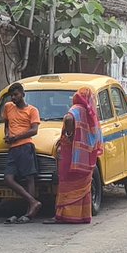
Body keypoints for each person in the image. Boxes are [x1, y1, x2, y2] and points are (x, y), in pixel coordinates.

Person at [46, 87, 103, 224]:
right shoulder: (90, 114)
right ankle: (81, 216)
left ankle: (63, 215)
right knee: (83, 187)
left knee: (66, 184)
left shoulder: (75, 110)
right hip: (86, 157)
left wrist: (69, 135)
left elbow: (67, 118)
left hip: (70, 154)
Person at [1, 82, 42, 224]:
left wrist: (16, 137)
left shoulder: (32, 110)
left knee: (29, 178)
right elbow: (6, 123)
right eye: (11, 96)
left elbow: (34, 130)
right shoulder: (8, 107)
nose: (13, 98)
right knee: (8, 178)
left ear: (23, 94)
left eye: (16, 95)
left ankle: (30, 212)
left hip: (25, 146)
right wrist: (7, 134)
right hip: (12, 148)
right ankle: (33, 202)